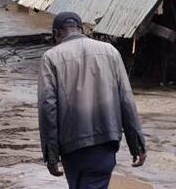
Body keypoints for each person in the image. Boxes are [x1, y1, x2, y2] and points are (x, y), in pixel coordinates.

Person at [38, 12, 147, 189]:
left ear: (57, 34)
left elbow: (47, 108)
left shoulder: (51, 58)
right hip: (106, 141)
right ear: (81, 29)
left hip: (72, 146)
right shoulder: (110, 52)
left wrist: (51, 155)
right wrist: (137, 144)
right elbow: (126, 99)